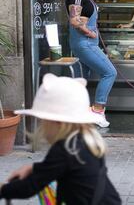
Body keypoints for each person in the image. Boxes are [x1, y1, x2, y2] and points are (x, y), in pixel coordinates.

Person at [0, 73, 121, 204]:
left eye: (43, 121)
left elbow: (30, 186)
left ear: (56, 122)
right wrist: (34, 168)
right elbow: (59, 167)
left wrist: (3, 189)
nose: (42, 126)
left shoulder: (64, 150)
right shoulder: (85, 140)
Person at [65, 0, 117, 128]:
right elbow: (75, 21)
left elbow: (83, 19)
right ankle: (97, 110)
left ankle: (77, 112)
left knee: (83, 79)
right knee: (109, 73)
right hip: (85, 43)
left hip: (86, 44)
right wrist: (91, 33)